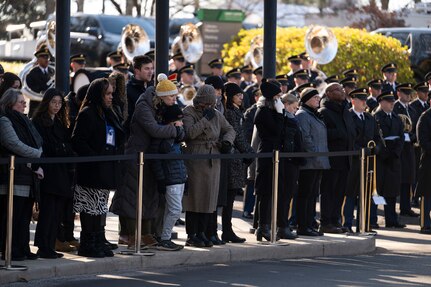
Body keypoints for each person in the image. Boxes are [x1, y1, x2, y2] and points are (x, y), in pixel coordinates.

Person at [110, 74, 181, 249]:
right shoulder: (144, 106)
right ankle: (130, 234)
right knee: (133, 196)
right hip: (136, 155)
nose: (174, 99)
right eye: (172, 96)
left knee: (149, 195)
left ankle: (146, 233)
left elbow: (180, 124)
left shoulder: (160, 106)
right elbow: (154, 129)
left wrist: (177, 130)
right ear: (162, 96)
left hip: (149, 157)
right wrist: (174, 131)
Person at [72, 78, 125, 257]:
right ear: (98, 95)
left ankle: (97, 240)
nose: (111, 97)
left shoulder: (107, 113)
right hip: (91, 169)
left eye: (111, 93)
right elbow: (78, 141)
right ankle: (88, 244)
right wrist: (95, 156)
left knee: (99, 207)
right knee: (89, 208)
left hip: (105, 168)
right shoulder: (87, 113)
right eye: (107, 94)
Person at [182, 84, 235, 247]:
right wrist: (205, 119)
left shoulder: (217, 114)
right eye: (207, 104)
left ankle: (203, 232)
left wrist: (227, 141)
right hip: (196, 157)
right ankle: (192, 234)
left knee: (209, 198)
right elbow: (189, 133)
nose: (210, 107)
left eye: (212, 104)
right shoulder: (189, 112)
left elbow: (230, 129)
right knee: (195, 198)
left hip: (214, 158)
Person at [0, 88, 43, 261]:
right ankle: (11, 249)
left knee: (24, 216)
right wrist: (37, 153)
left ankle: (23, 247)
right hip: (12, 175)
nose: (25, 105)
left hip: (26, 173)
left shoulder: (23, 120)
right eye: (21, 102)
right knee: (14, 216)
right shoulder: (4, 120)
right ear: (10, 104)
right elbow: (13, 144)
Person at [32, 88, 75, 258]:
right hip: (48, 172)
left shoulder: (59, 121)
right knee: (48, 211)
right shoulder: (39, 121)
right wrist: (61, 149)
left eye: (59, 103)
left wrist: (63, 149)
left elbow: (66, 144)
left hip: (61, 171)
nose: (57, 106)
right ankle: (44, 246)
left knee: (57, 212)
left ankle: (50, 245)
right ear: (46, 102)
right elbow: (45, 147)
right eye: (53, 102)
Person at [148, 104, 187, 251]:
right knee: (175, 210)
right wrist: (161, 179)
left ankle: (165, 237)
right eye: (179, 121)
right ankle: (165, 238)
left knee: (172, 210)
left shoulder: (177, 136)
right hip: (170, 179)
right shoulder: (163, 136)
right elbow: (156, 160)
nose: (182, 124)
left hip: (179, 177)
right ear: (172, 121)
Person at [318, 83, 355, 234]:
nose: (342, 91)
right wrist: (340, 133)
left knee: (340, 192)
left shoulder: (345, 110)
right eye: (337, 90)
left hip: (346, 158)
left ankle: (336, 220)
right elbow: (323, 134)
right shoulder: (324, 112)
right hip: (332, 159)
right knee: (328, 191)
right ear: (328, 93)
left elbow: (352, 130)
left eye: (342, 89)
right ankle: (326, 222)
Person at [343, 88, 381, 233]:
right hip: (353, 161)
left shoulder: (370, 118)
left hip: (368, 162)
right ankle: (347, 223)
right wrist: (359, 149)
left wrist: (376, 149)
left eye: (365, 99)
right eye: (361, 100)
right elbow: (348, 138)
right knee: (350, 193)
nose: (365, 102)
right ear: (353, 101)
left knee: (365, 194)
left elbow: (377, 137)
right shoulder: (348, 116)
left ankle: (363, 224)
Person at [222, 83, 254, 243]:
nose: (241, 97)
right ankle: (226, 231)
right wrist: (249, 152)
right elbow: (237, 136)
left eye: (241, 94)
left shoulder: (236, 111)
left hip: (236, 159)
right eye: (237, 95)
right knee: (228, 200)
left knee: (230, 198)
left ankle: (227, 230)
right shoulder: (230, 112)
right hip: (232, 159)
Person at [295, 88, 330, 236]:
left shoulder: (314, 115)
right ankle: (303, 226)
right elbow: (305, 138)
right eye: (315, 97)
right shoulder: (303, 115)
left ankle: (310, 224)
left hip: (318, 161)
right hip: (309, 162)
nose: (318, 100)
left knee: (312, 195)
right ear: (307, 99)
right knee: (305, 195)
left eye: (318, 97)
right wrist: (316, 153)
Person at [254, 79, 284, 241]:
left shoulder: (270, 110)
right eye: (277, 97)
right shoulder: (264, 112)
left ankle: (265, 226)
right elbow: (276, 131)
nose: (280, 100)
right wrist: (280, 114)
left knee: (271, 192)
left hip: (274, 153)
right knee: (265, 192)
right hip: (267, 153)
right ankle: (262, 226)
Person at [372, 91, 405, 228]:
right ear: (381, 102)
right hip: (380, 159)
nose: (392, 104)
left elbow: (401, 137)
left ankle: (392, 219)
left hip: (393, 159)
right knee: (376, 192)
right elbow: (375, 137)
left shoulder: (396, 118)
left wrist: (395, 152)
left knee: (391, 192)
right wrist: (383, 153)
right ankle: (372, 219)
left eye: (393, 101)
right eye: (389, 101)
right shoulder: (376, 117)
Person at [278, 93, 303, 239]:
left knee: (288, 195)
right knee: (284, 195)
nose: (295, 110)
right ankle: (282, 226)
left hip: (293, 161)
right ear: (286, 105)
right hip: (287, 161)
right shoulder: (285, 118)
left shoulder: (292, 118)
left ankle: (284, 225)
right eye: (293, 107)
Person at [393, 83, 418, 217]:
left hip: (409, 149)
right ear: (399, 93)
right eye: (405, 93)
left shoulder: (412, 109)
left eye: (409, 93)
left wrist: (412, 136)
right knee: (399, 178)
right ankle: (395, 209)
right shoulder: (395, 108)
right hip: (399, 148)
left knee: (408, 178)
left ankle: (406, 207)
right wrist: (404, 136)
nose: (408, 96)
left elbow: (415, 129)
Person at [125, 55, 154, 134]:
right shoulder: (127, 90)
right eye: (147, 69)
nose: (151, 72)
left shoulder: (153, 86)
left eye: (152, 68)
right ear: (137, 71)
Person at [415, 92, 431, 234]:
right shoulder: (425, 117)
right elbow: (423, 141)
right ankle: (425, 224)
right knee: (427, 194)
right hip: (429, 162)